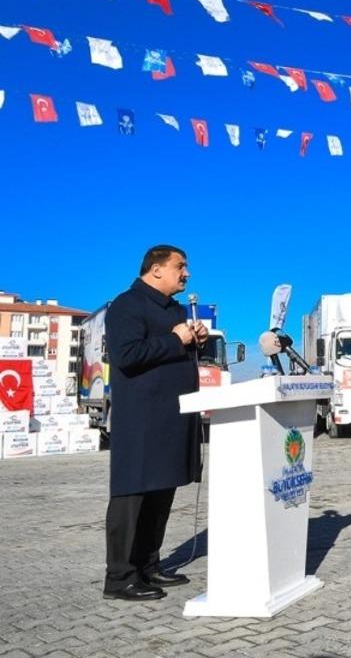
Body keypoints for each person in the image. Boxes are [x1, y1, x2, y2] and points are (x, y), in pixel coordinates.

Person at [104, 245, 206, 601]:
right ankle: (120, 577)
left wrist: (194, 343)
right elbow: (127, 356)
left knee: (162, 493)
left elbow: (171, 355)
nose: (187, 273)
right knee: (133, 495)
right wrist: (175, 339)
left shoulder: (175, 309)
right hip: (142, 420)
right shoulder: (127, 305)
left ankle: (148, 566)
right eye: (181, 266)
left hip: (172, 417)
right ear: (156, 269)